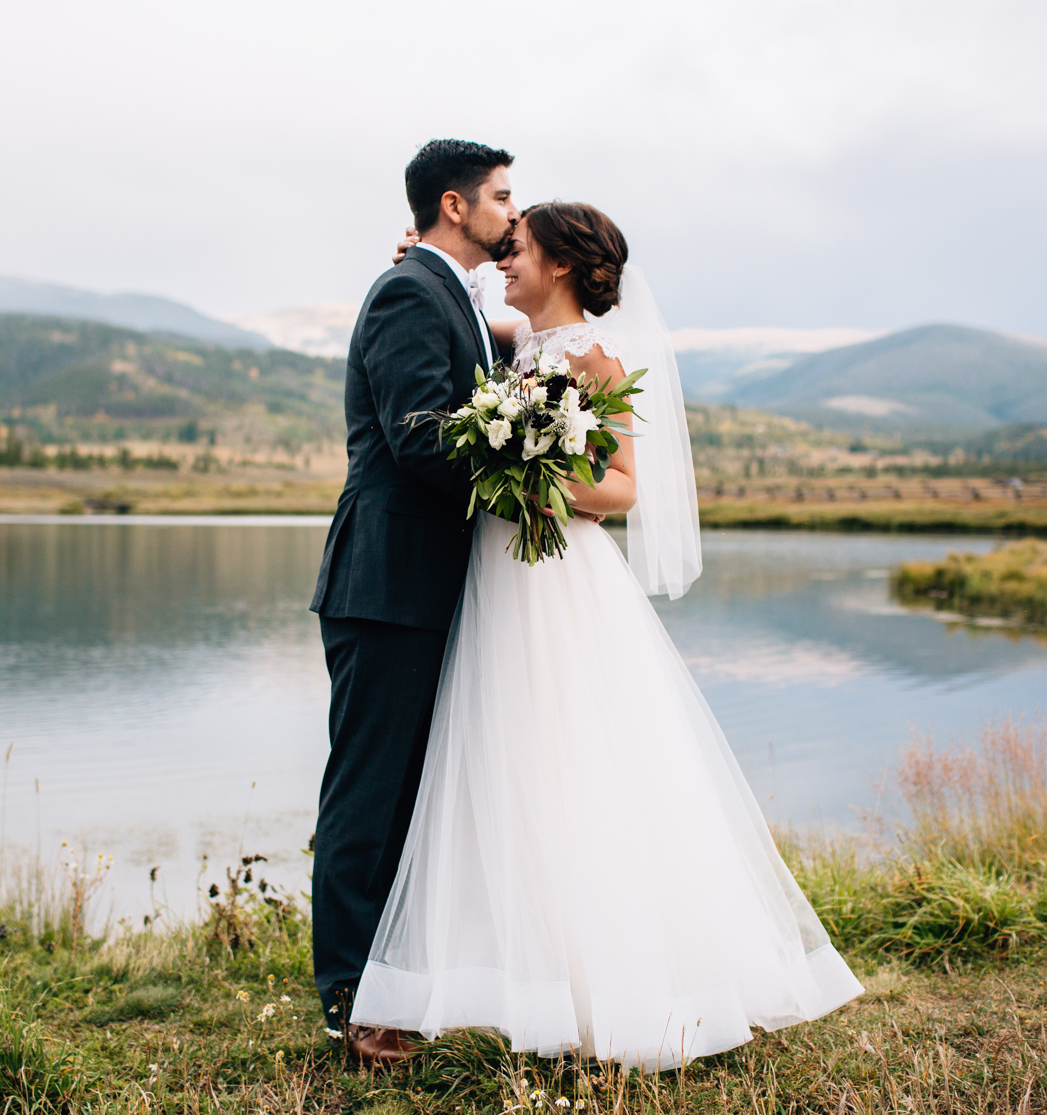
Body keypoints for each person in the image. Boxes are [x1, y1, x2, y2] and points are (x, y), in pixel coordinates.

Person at [346, 201, 863, 1070]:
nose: (506, 256)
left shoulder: (594, 357)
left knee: (575, 761)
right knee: (501, 764)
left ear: (557, 266)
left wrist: (535, 486)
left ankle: (620, 988)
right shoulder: (523, 345)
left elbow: (623, 487)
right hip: (498, 576)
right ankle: (515, 981)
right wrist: (418, 255)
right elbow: (470, 307)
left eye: (519, 248)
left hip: (557, 577)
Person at [308, 139, 519, 1064]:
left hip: (430, 585)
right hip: (387, 583)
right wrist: (525, 472)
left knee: (415, 797)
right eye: (503, 198)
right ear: (454, 205)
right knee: (369, 795)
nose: (515, 213)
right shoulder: (406, 293)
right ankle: (351, 1001)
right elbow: (418, 435)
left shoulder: (455, 296)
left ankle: (402, 977)